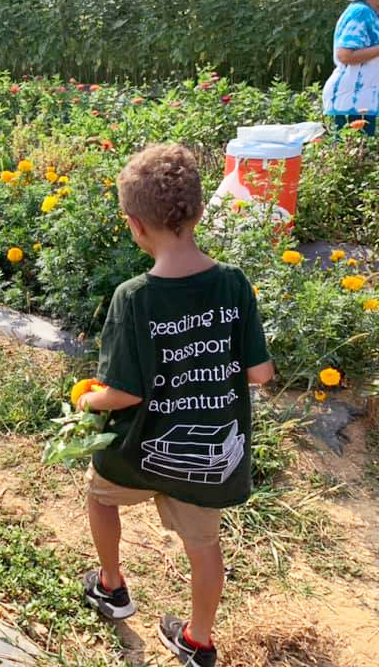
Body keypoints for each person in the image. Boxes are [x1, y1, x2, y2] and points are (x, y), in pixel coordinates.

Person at [77, 144, 274, 667]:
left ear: (133, 224)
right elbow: (260, 373)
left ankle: (112, 586)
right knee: (204, 547)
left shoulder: (134, 297)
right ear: (199, 212)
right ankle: (198, 641)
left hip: (140, 447)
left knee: (101, 497)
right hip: (207, 457)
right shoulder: (233, 284)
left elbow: (124, 394)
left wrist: (86, 399)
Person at [323, 0, 379, 136]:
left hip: (364, 101)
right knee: (352, 159)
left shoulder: (371, 14)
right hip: (350, 102)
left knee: (360, 159)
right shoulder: (360, 12)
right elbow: (345, 55)